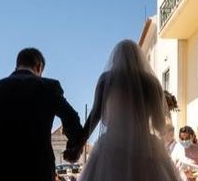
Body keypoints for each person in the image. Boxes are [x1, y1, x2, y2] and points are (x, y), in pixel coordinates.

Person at [72, 39, 182, 181]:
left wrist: (78, 145)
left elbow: (95, 116)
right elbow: (158, 124)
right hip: (147, 148)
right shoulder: (152, 84)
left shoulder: (107, 80)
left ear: (115, 59)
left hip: (112, 146)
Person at [0, 47, 84, 181]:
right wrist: (74, 147)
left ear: (17, 65)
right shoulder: (49, 87)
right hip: (39, 170)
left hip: (3, 171)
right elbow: (71, 117)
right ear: (39, 67)